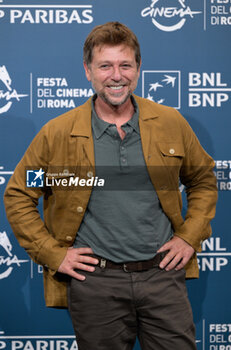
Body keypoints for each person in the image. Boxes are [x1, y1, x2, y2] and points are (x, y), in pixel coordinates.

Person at [4, 22, 217, 350]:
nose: (116, 75)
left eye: (125, 65)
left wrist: (189, 237)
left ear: (138, 69)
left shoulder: (170, 124)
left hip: (163, 278)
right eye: (105, 66)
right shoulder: (58, 135)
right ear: (88, 71)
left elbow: (202, 179)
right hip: (95, 284)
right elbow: (21, 193)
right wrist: (51, 253)